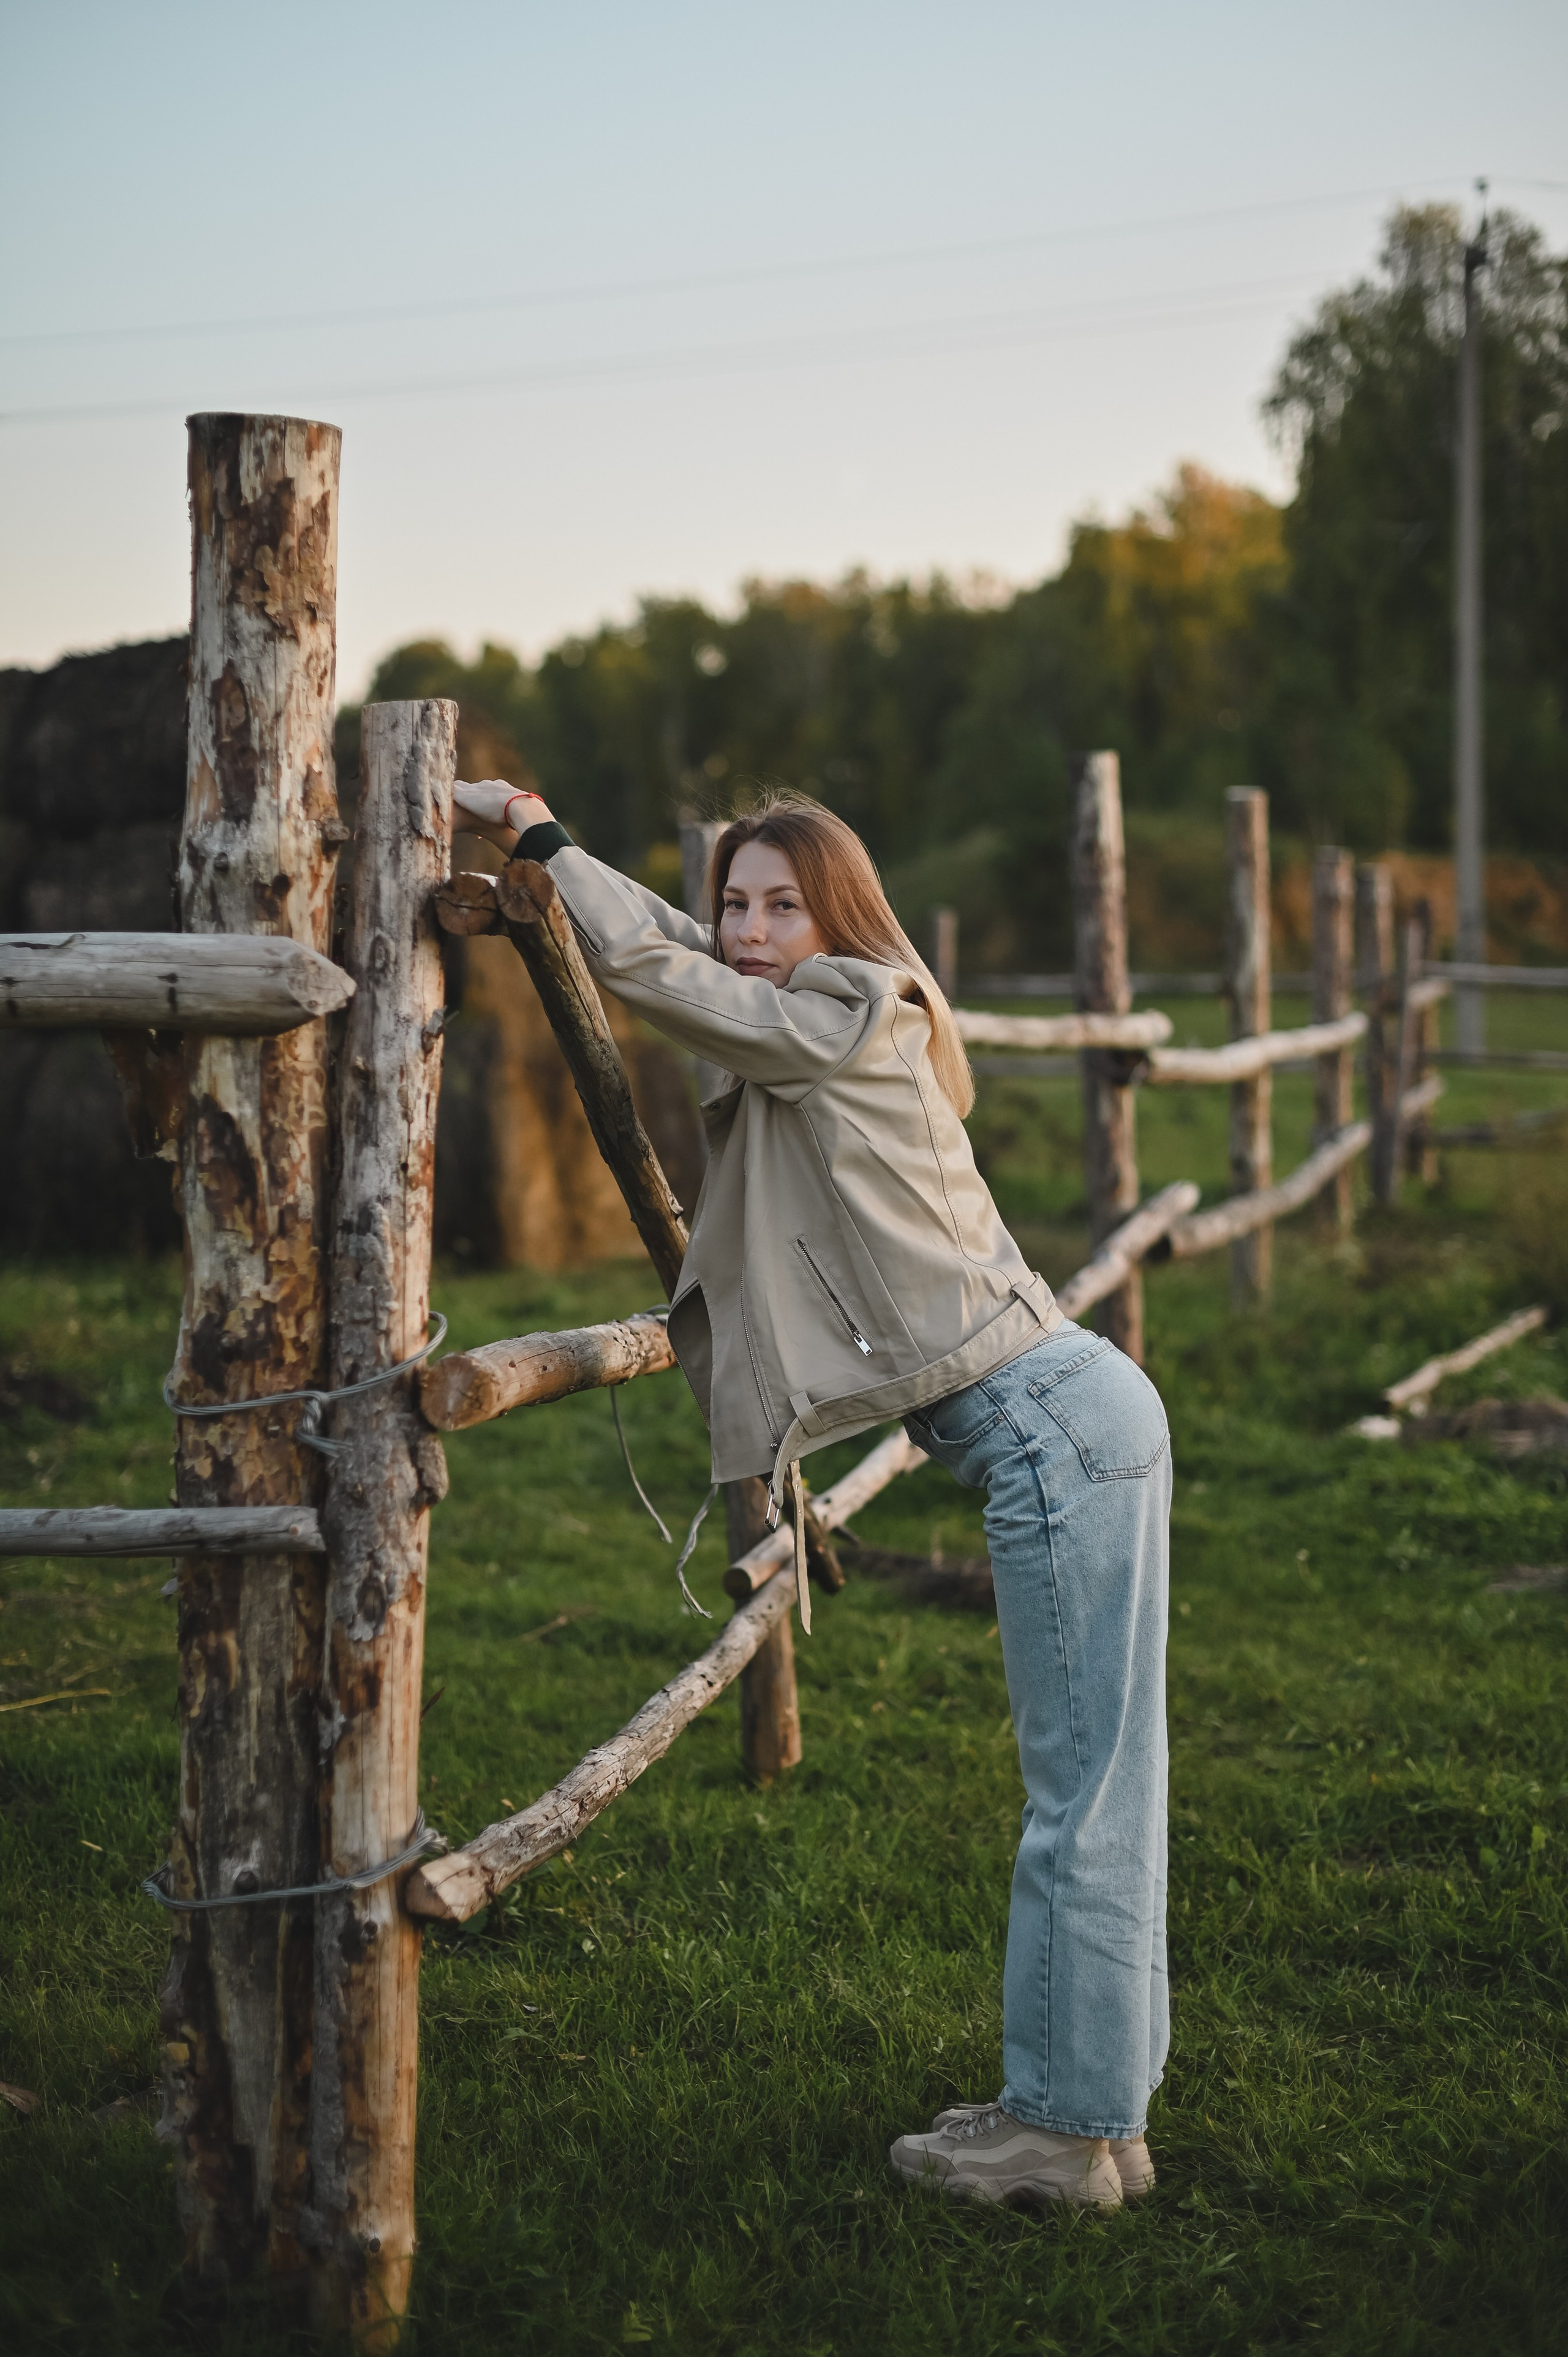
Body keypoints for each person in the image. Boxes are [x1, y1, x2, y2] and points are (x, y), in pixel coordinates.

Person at [453, 780, 1172, 2214]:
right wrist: (566, 846)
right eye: (738, 900)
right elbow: (677, 948)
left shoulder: (846, 1009)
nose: (751, 928)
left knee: (1077, 1796)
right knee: (1104, 1785)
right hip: (1073, 1414)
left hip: (1051, 1430)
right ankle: (1098, 2121)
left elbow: (665, 976)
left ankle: (1061, 2132)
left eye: (784, 902)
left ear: (839, 915)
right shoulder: (807, 1013)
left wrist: (540, 846)